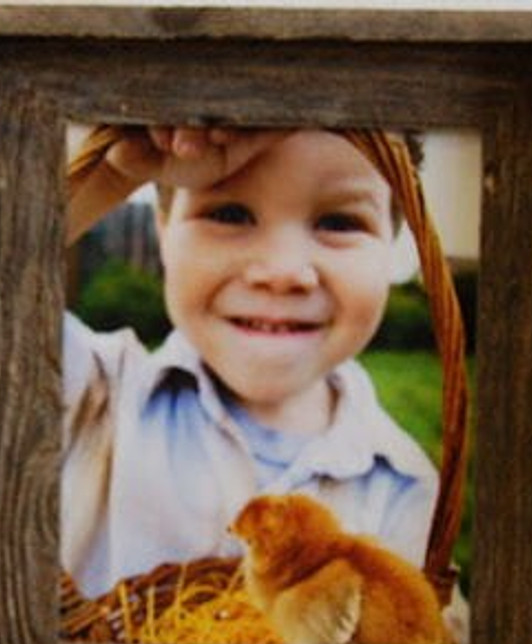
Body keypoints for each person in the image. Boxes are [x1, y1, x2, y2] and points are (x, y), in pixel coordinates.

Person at [61, 126, 441, 599]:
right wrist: (110, 176)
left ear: (392, 251)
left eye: (339, 223)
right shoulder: (93, 391)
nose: (282, 271)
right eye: (229, 213)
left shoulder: (408, 488)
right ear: (163, 233)